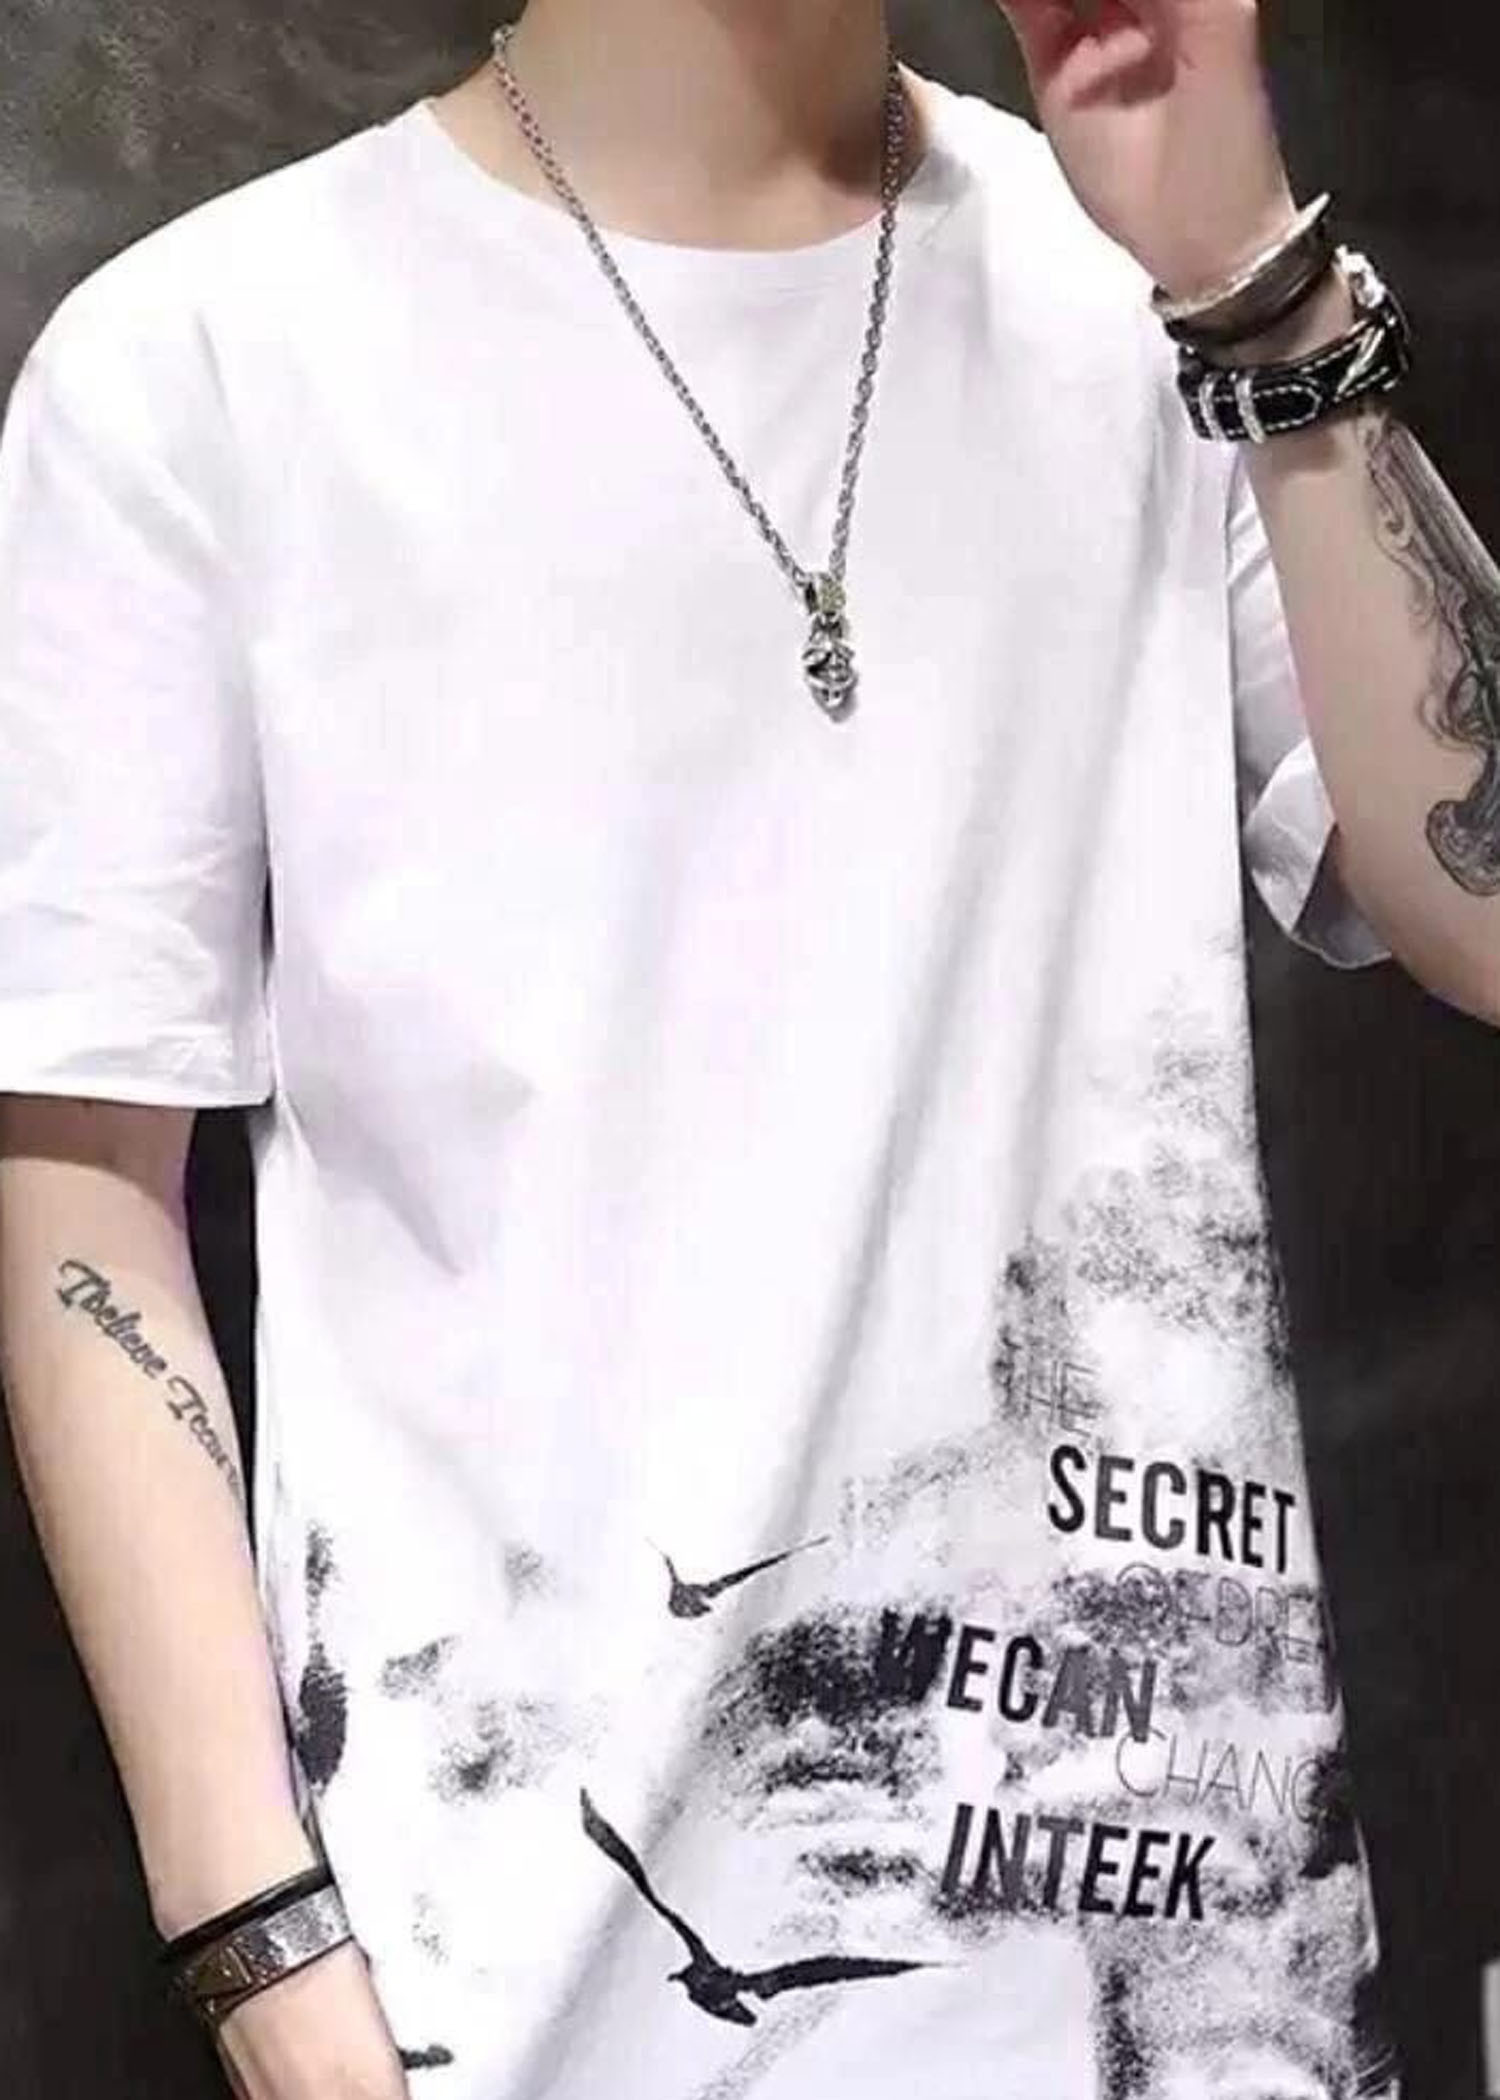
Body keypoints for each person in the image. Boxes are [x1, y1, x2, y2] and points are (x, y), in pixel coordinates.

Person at [0, 1, 1495, 2096]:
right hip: (511, 2006)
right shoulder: (206, 365)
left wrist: (1250, 272)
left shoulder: (1142, 298)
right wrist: (264, 1958)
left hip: (1165, 1988)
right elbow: (83, 1194)